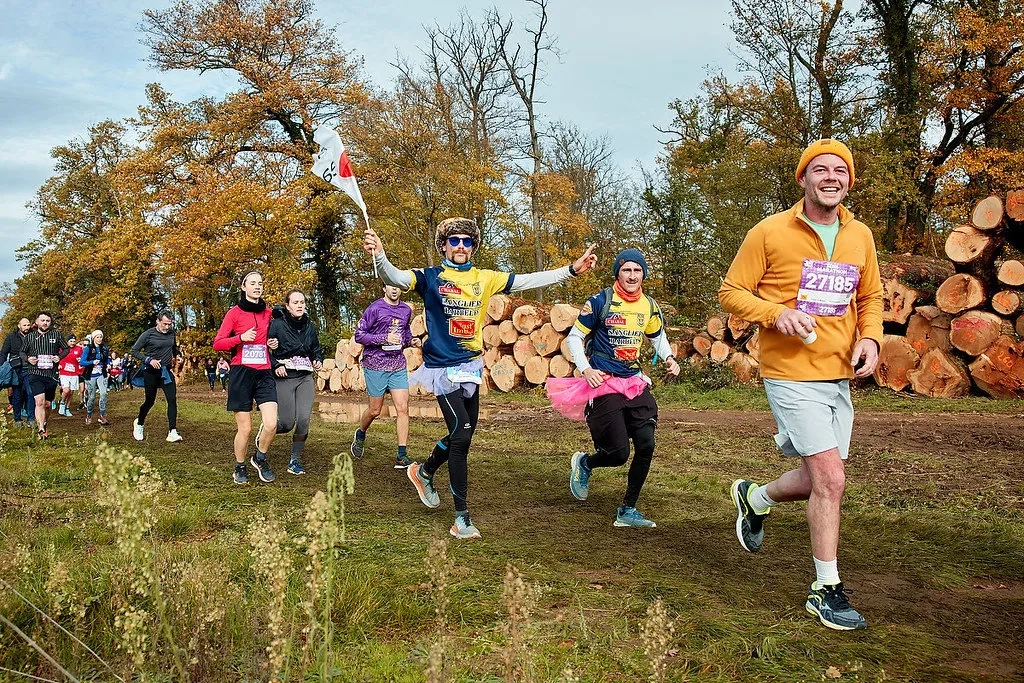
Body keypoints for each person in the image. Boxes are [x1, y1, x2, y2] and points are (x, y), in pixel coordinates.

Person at [718, 139, 882, 631]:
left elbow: (871, 296)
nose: (831, 178)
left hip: (838, 373)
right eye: (820, 170)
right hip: (790, 373)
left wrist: (871, 338)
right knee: (832, 479)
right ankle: (824, 589)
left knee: (817, 479)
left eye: (840, 171)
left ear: (849, 181)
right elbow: (730, 292)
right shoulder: (769, 232)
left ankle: (755, 498)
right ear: (803, 178)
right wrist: (776, 313)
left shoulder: (860, 235)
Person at [363, 217, 598, 540]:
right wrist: (379, 254)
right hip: (442, 369)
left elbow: (528, 280)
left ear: (473, 247)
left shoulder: (485, 278)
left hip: (470, 367)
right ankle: (461, 518)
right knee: (461, 433)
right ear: (443, 245)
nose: (461, 246)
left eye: (467, 241)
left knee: (463, 435)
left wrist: (571, 270)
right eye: (454, 240)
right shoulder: (430, 277)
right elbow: (395, 276)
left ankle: (424, 471)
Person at [560, 249, 680, 528]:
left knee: (647, 444)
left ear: (643, 274)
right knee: (617, 454)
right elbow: (574, 338)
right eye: (626, 270)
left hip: (634, 381)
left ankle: (628, 510)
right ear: (618, 273)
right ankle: (586, 463)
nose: (632, 276)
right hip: (604, 382)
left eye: (637, 270)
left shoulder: (649, 305)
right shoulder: (600, 301)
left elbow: (657, 336)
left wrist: (669, 357)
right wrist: (586, 369)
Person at [213, 271, 279, 485]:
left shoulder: (268, 313)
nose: (257, 286)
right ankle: (239, 466)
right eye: (253, 283)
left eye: (260, 283)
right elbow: (218, 343)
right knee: (246, 428)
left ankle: (260, 457)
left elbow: (270, 338)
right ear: (243, 287)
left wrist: (272, 343)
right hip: (241, 372)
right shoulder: (234, 313)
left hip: (264, 372)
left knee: (271, 423)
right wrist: (240, 338)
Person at [351, 284, 417, 469]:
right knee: (375, 410)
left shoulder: (406, 310)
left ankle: (401, 456)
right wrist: (383, 338)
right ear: (384, 288)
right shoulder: (374, 308)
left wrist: (411, 341)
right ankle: (361, 433)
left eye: (397, 286)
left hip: (397, 364)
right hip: (375, 364)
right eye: (390, 286)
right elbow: (359, 335)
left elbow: (405, 334)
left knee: (402, 409)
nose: (394, 290)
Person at [268, 289, 323, 476]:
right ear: (287, 306)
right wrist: (276, 365)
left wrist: (317, 359)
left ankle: (295, 460)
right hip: (284, 377)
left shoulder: (310, 326)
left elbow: (315, 348)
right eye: (295, 302)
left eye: (302, 302)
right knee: (286, 423)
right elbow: (265, 350)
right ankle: (267, 430)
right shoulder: (277, 325)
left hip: (305, 377)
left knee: (304, 419)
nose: (300, 305)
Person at [130, 310, 183, 443]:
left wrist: (177, 355)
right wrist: (148, 360)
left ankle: (172, 431)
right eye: (165, 324)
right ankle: (139, 423)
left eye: (170, 324)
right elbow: (134, 351)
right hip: (151, 372)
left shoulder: (171, 333)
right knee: (150, 401)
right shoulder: (148, 334)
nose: (167, 327)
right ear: (158, 321)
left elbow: (173, 348)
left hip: (166, 372)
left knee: (172, 399)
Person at [19, 312, 69, 440]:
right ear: (37, 321)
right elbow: (22, 352)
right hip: (35, 373)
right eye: (42, 320)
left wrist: (59, 357)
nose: (45, 323)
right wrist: (28, 359)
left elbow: (66, 349)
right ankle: (40, 429)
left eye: (47, 321)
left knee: (47, 404)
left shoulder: (56, 335)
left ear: (50, 322)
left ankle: (44, 423)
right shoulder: (30, 337)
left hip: (51, 374)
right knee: (39, 402)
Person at [0, 318, 32, 427]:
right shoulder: (11, 337)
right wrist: (2, 367)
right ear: (19, 326)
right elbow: (4, 353)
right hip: (16, 369)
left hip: (30, 368)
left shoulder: (33, 336)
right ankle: (17, 419)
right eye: (24, 325)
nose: (26, 327)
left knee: (30, 393)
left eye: (28, 325)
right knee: (17, 395)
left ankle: (31, 418)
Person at [80, 329, 111, 425]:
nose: (99, 339)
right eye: (97, 337)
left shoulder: (104, 348)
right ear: (93, 338)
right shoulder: (88, 348)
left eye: (101, 337)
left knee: (104, 394)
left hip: (101, 374)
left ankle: (102, 415)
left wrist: (108, 364)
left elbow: (107, 358)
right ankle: (89, 415)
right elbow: (82, 362)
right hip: (90, 375)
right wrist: (92, 362)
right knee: (92, 397)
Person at [57, 334, 83, 417]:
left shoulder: (79, 349)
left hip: (74, 373)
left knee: (71, 392)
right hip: (64, 372)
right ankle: (62, 403)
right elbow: (56, 357)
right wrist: (58, 364)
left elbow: (83, 358)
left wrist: (80, 360)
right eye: (70, 341)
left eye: (74, 341)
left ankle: (67, 408)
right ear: (67, 341)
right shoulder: (62, 348)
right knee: (66, 390)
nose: (72, 343)